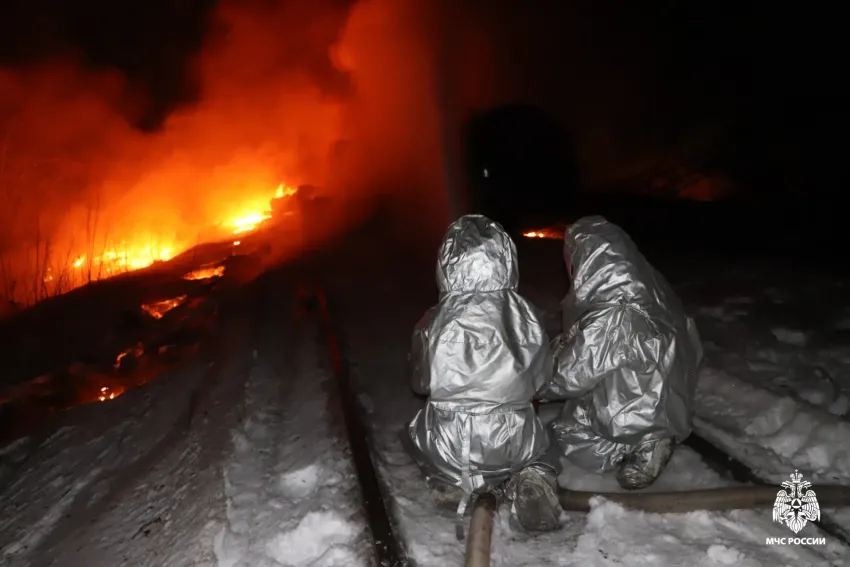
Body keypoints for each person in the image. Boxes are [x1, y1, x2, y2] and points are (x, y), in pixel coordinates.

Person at [403, 214, 563, 537]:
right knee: (545, 442)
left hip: (454, 444)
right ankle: (533, 477)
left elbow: (419, 383)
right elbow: (543, 379)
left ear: (447, 265)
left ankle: (448, 482)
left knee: (412, 435)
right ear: (506, 260)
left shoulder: (432, 322)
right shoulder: (526, 315)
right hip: (514, 438)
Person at [547, 216, 703, 489]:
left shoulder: (614, 312)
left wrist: (529, 380)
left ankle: (639, 445)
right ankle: (653, 435)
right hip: (671, 403)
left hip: (634, 412)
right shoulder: (650, 290)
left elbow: (568, 376)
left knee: (568, 433)